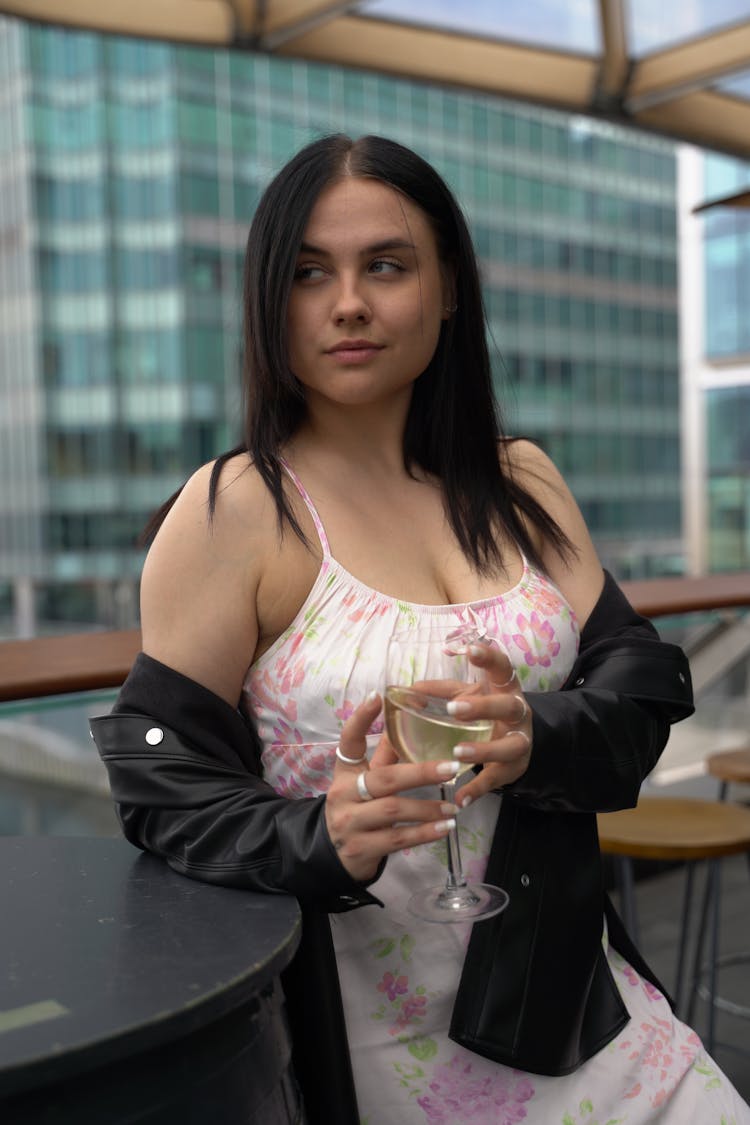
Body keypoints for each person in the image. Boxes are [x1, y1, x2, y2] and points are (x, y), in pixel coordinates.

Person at [91, 134, 750, 1124]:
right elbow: (163, 792)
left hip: (572, 997)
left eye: (386, 266)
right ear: (270, 299)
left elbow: (641, 686)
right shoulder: (236, 507)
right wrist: (322, 832)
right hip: (370, 1037)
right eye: (310, 272)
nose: (347, 302)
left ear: (448, 290)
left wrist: (540, 732)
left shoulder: (519, 479)